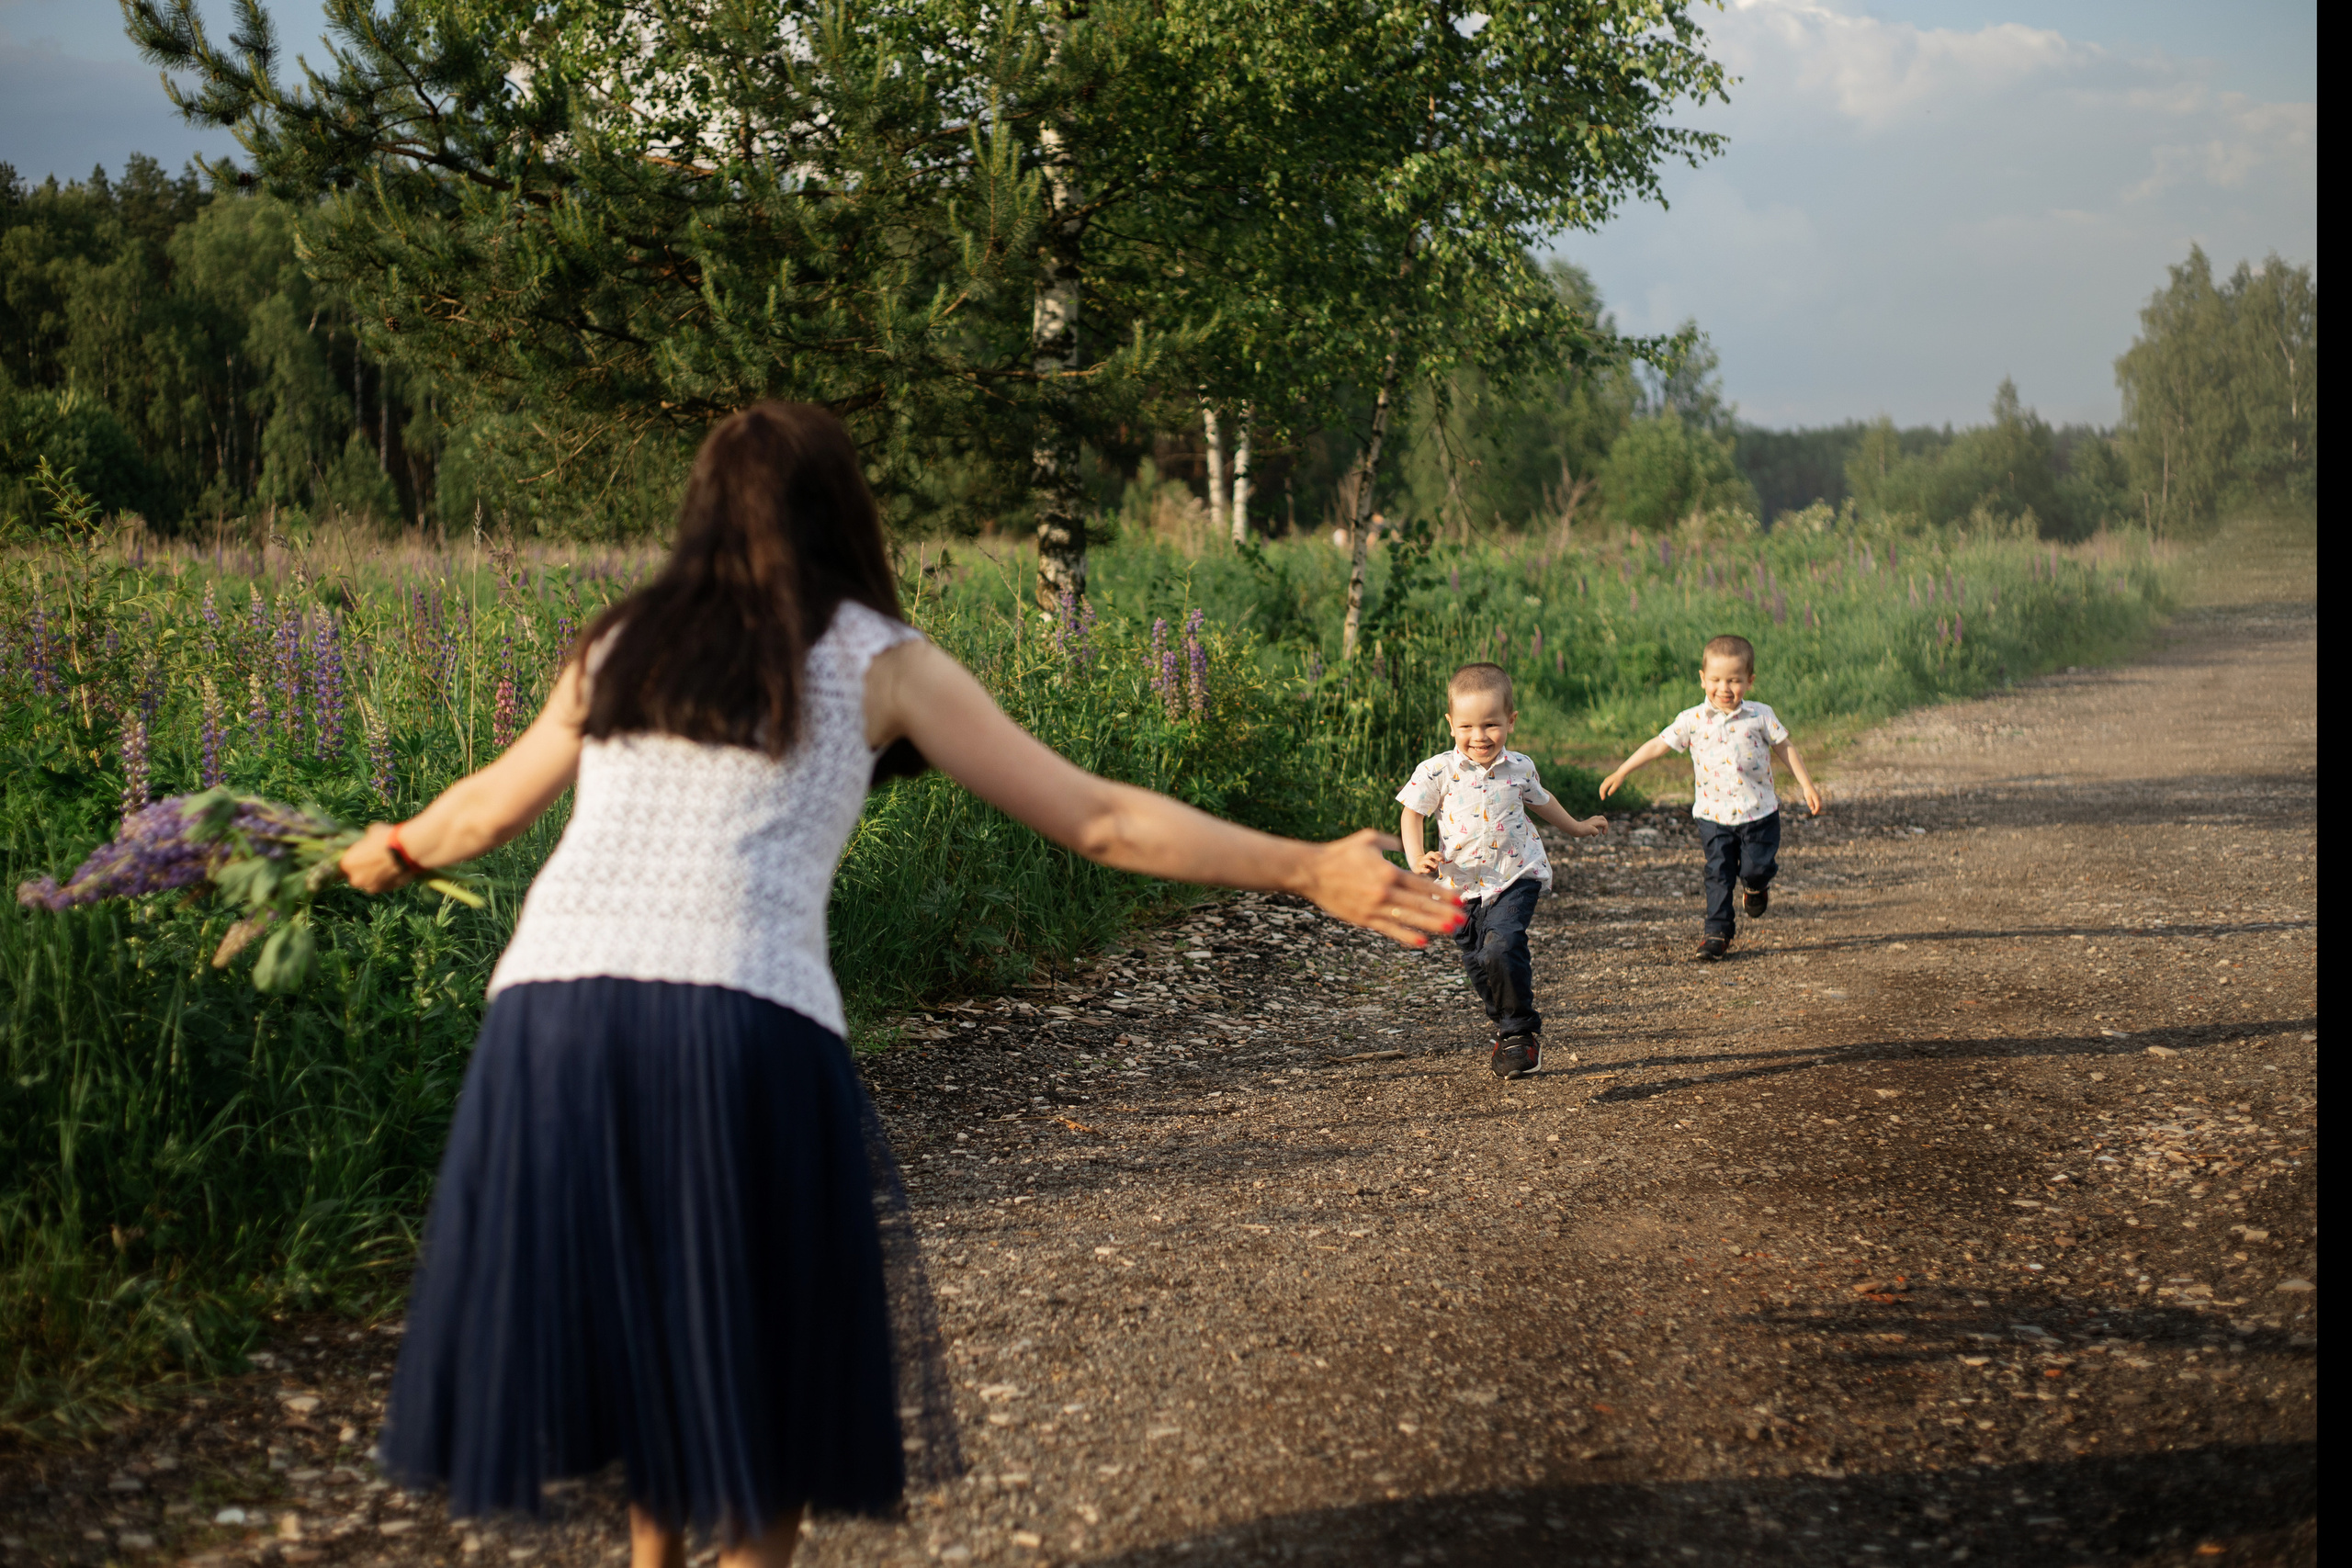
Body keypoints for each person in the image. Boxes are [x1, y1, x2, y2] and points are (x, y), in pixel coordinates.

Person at [335, 403, 1461, 1568]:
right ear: (846, 515)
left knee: (644, 1306)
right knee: (769, 1334)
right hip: (739, 1007)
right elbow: (1101, 821)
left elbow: (479, 809)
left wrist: (381, 851)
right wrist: (1305, 867)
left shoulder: (622, 642)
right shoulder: (879, 655)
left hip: (554, 1008)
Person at [1396, 661, 1608, 1080]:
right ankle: (1505, 1023)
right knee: (1478, 962)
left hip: (1515, 874)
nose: (1479, 737)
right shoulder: (1437, 770)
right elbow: (1411, 814)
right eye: (1467, 727)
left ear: (1510, 721)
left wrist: (1578, 827)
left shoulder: (1520, 767)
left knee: (1501, 946)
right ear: (1450, 724)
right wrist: (1415, 857)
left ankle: (1520, 1034)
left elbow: (1542, 801)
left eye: (1491, 725)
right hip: (1460, 886)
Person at [1598, 632, 1824, 961]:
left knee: (1755, 869)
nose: (1725, 688)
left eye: (1734, 680)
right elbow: (1658, 744)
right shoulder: (1692, 720)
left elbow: (1785, 748)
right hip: (1712, 816)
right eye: (1716, 679)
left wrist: (1806, 784)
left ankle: (1755, 887)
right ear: (1703, 679)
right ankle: (1716, 933)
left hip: (1759, 812)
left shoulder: (1760, 715)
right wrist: (1622, 771)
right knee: (1717, 873)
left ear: (1750, 680)